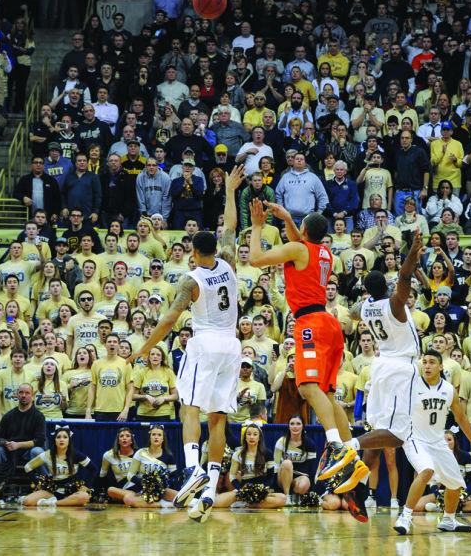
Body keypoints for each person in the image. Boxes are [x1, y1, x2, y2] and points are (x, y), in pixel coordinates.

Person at [135, 165, 244, 523]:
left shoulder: (191, 279)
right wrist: (229, 191)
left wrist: (144, 347)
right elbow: (230, 226)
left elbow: (168, 320)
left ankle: (193, 468)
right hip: (232, 345)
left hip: (206, 343)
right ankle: (210, 488)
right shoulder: (229, 262)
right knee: (219, 417)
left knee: (189, 408)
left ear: (194, 252)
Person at [247, 198, 367, 520]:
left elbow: (257, 258)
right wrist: (287, 216)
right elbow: (300, 243)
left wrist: (259, 226)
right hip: (329, 323)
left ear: (303, 231)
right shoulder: (323, 251)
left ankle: (335, 447)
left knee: (307, 389)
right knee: (326, 394)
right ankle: (351, 449)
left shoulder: (300, 250)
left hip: (309, 323)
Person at [343, 229, 423, 509]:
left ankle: (360, 488)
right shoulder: (394, 304)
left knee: (378, 431)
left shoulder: (365, 307)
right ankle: (348, 447)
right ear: (387, 288)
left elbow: (352, 312)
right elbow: (403, 278)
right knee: (398, 434)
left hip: (380, 366)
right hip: (401, 368)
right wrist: (412, 252)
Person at [393, 350, 471, 534]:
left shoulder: (449, 389)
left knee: (455, 483)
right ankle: (405, 516)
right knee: (427, 470)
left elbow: (461, 417)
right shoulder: (411, 385)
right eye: (425, 362)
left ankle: (448, 519)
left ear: (441, 366)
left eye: (431, 362)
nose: (427, 366)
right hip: (415, 439)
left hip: (437, 441)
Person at [0, 383, 47, 504]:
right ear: (16, 395)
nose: (24, 396)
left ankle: (46, 487)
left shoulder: (38, 416)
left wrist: (18, 445)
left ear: (32, 396)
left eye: (27, 393)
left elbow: (40, 440)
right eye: (21, 393)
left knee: (38, 451)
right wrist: (5, 443)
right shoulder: (8, 416)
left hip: (28, 451)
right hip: (10, 451)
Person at [21, 425, 95, 507]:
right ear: (55, 440)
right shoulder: (47, 455)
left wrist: (87, 485)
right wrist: (37, 483)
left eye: (65, 437)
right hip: (52, 490)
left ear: (69, 440)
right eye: (58, 437)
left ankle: (51, 503)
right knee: (27, 501)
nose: (61, 440)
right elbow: (27, 467)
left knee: (84, 497)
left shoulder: (76, 455)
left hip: (72, 491)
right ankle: (61, 502)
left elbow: (93, 469)